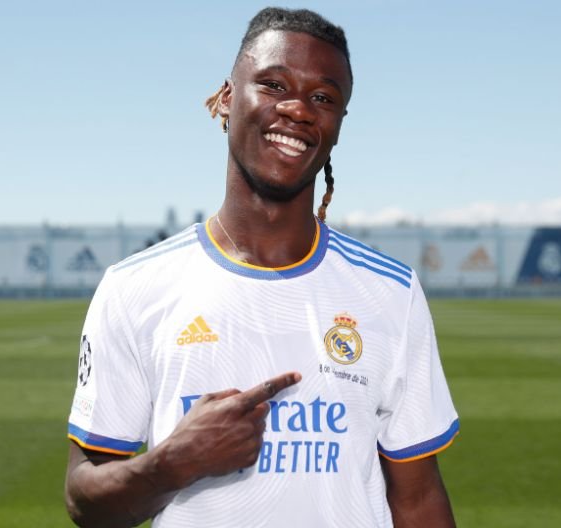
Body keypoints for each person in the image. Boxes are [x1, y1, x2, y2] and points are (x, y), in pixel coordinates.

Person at [64, 7, 459, 527]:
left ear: (338, 126)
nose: (298, 109)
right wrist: (169, 465)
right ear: (227, 97)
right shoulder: (132, 288)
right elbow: (84, 500)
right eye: (273, 85)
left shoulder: (390, 291)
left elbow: (418, 499)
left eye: (323, 98)